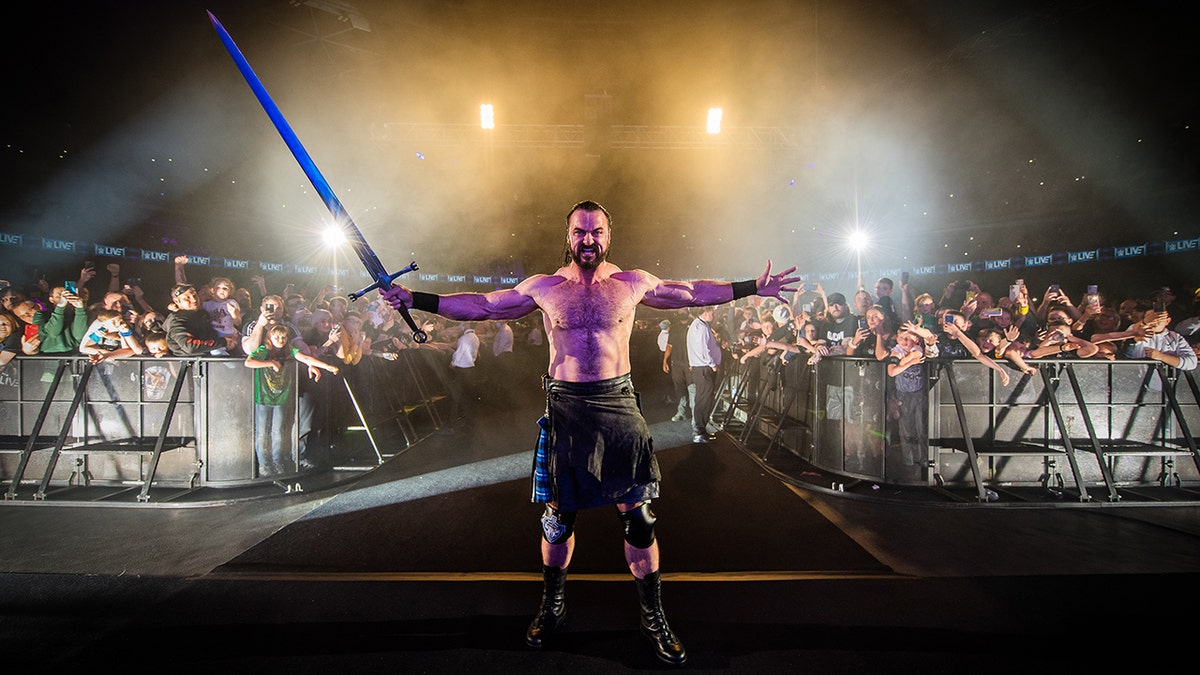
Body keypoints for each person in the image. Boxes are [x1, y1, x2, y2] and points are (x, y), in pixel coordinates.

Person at [382, 199, 798, 666]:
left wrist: (751, 288)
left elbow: (691, 292)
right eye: (580, 232)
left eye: (596, 231)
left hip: (618, 402)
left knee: (639, 520)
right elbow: (482, 306)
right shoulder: (544, 287)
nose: (588, 240)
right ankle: (552, 606)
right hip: (567, 405)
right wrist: (414, 299)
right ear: (568, 236)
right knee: (558, 522)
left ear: (608, 235)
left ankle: (653, 616)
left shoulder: (631, 283)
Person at [244, 324, 340, 476]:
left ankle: (277, 461)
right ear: (270, 337)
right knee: (262, 431)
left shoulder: (289, 350)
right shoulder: (264, 350)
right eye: (276, 337)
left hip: (281, 396)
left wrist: (327, 367)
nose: (280, 340)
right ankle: (264, 463)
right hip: (263, 396)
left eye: (283, 338)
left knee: (278, 430)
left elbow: (304, 357)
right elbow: (249, 362)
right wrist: (270, 363)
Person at [687, 305, 722, 444]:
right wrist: (712, 364)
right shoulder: (700, 328)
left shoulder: (699, 325)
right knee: (703, 400)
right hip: (703, 368)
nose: (713, 312)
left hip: (701, 368)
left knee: (703, 399)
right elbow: (703, 350)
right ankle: (699, 432)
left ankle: (701, 430)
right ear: (705, 312)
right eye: (711, 310)